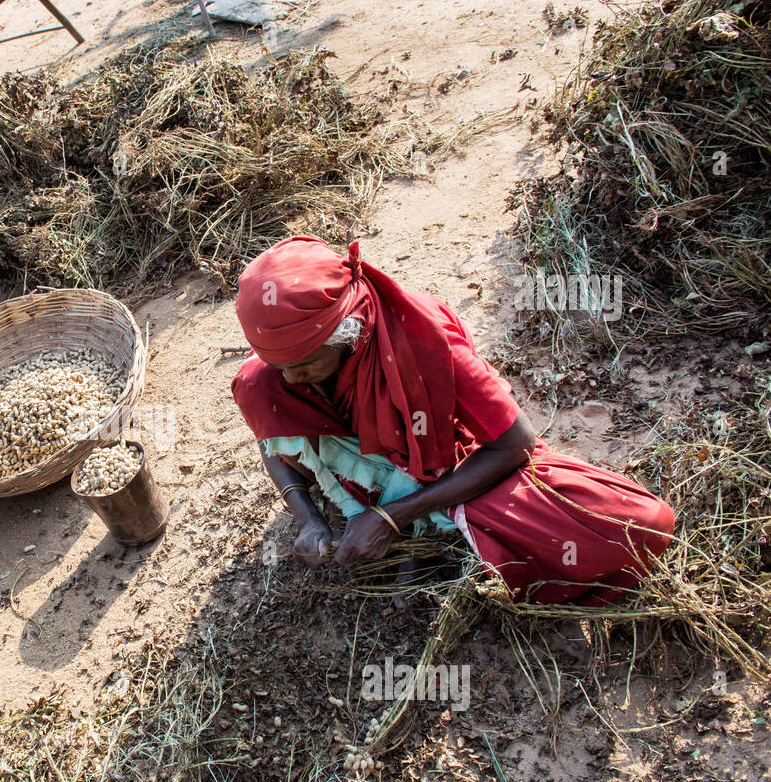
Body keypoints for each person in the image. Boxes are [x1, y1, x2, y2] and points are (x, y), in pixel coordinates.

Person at [231, 236, 675, 606]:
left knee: (638, 525)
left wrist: (392, 517)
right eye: (277, 362)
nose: (290, 377)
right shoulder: (271, 373)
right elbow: (271, 435)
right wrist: (307, 516)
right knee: (261, 388)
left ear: (347, 331)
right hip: (362, 479)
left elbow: (515, 444)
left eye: (305, 364)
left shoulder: (424, 344)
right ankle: (422, 528)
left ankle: (426, 524)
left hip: (447, 465)